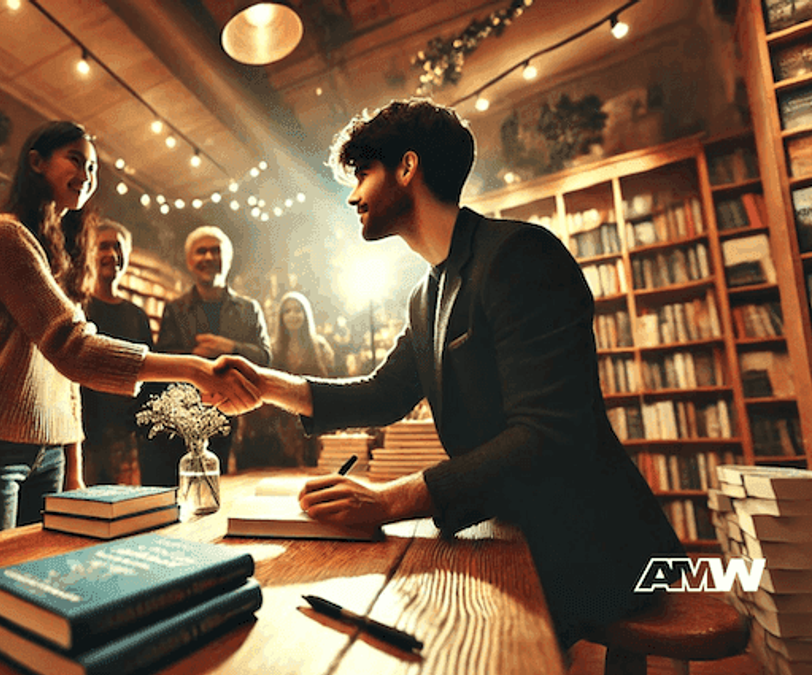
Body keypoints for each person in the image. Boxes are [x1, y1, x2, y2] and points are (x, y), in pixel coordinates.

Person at [217, 99, 683, 650]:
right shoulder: (426, 294)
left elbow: (544, 434)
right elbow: (384, 393)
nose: (352, 195)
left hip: (589, 542)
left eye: (364, 173)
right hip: (511, 529)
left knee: (448, 642)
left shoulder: (520, 255)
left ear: (407, 168)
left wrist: (388, 499)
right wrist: (265, 384)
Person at [0, 121, 256, 543]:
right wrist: (195, 369)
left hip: (48, 454)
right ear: (36, 162)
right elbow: (73, 348)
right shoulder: (6, 235)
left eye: (94, 168)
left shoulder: (60, 257)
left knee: (34, 580)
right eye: (76, 160)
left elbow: (64, 377)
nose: (87, 174)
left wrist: (72, 465)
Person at [143, 226, 270, 484]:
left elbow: (265, 357)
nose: (209, 257)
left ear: (228, 260)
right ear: (190, 261)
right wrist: (194, 358)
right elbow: (163, 356)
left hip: (239, 415)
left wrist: (229, 347)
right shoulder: (175, 309)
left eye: (216, 251)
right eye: (201, 252)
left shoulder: (249, 309)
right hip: (186, 421)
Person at [80, 219, 153, 485]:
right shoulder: (77, 308)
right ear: (89, 253)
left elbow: (149, 378)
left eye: (118, 247)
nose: (111, 254)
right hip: (83, 437)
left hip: (127, 437)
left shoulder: (138, 316)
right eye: (103, 247)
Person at [236, 292, 333, 468]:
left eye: (298, 310)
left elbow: (331, 388)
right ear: (281, 317)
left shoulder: (321, 348)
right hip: (279, 432)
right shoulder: (272, 350)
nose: (293, 315)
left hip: (313, 426)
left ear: (306, 314)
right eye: (287, 311)